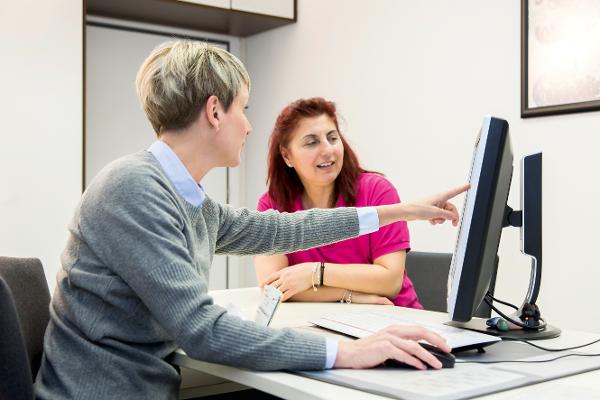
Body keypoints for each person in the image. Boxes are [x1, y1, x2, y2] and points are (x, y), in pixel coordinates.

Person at [34, 41, 467, 399]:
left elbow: (284, 229)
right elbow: (201, 330)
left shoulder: (184, 196)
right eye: (243, 107)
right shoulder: (134, 189)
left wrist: (402, 210)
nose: (248, 125)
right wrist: (345, 352)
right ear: (215, 112)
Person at [256, 97, 422, 307]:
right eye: (312, 142)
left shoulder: (377, 192)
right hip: (325, 322)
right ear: (287, 156)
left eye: (332, 138)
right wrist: (348, 295)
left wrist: (314, 273)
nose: (328, 150)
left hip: (394, 318)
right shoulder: (272, 205)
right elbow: (274, 286)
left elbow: (390, 282)